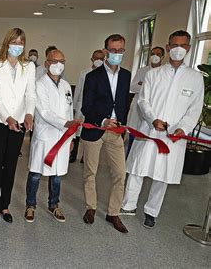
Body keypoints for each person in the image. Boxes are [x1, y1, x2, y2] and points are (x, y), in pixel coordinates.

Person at [121, 30, 204, 228]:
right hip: (149, 131)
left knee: (163, 175)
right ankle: (128, 205)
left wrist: (183, 128)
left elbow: (195, 108)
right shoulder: (153, 74)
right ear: (167, 47)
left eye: (183, 46)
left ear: (189, 48)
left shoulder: (194, 78)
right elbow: (143, 100)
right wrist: (153, 119)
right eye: (174, 45)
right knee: (137, 169)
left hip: (174, 136)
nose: (178, 49)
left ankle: (151, 211)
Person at [80, 34, 131, 233]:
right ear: (105, 51)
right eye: (113, 50)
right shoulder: (93, 76)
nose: (117, 54)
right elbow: (86, 106)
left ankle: (113, 213)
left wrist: (122, 124)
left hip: (116, 132)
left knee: (120, 173)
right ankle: (90, 207)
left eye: (120, 50)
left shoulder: (126, 76)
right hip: (96, 129)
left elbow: (124, 103)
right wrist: (103, 120)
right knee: (90, 172)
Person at [25, 49, 82, 223]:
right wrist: (66, 124)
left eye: (62, 61)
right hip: (45, 136)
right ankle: (30, 205)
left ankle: (53, 205)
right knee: (36, 172)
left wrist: (71, 137)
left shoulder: (66, 86)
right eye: (54, 61)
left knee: (57, 174)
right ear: (47, 63)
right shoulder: (39, 84)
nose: (58, 65)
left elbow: (69, 112)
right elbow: (44, 111)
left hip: (63, 137)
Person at [0, 27, 36, 224]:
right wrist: (7, 118)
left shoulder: (29, 67)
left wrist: (29, 114)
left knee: (11, 166)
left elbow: (30, 94)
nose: (17, 46)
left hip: (19, 123)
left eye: (20, 43)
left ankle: (5, 205)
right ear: (7, 44)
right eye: (14, 42)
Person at [126, 46, 165, 154]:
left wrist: (143, 84)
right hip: (137, 109)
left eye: (158, 54)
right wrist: (149, 87)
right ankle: (128, 158)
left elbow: (161, 90)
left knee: (146, 139)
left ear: (162, 57)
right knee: (133, 134)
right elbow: (133, 87)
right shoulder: (142, 70)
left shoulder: (163, 72)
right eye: (153, 54)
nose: (155, 56)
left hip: (153, 109)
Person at [70, 49, 105, 162]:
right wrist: (74, 107)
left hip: (95, 110)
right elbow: (78, 90)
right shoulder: (84, 73)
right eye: (96, 58)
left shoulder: (105, 75)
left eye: (101, 58)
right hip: (82, 106)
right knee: (77, 132)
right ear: (92, 59)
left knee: (90, 132)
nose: (98, 60)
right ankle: (73, 154)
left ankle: (85, 157)